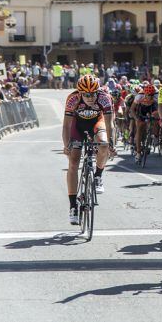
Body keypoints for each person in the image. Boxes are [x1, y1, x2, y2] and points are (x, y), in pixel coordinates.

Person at [62, 74, 114, 224]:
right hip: (77, 126)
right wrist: (66, 145)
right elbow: (66, 126)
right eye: (86, 95)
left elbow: (110, 124)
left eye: (93, 94)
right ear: (80, 93)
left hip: (97, 123)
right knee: (73, 162)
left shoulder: (104, 98)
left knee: (103, 144)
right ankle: (73, 206)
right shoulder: (72, 99)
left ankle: (98, 175)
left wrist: (112, 144)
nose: (90, 98)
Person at [131, 83, 159, 163]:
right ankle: (138, 152)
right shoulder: (139, 96)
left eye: (151, 95)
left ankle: (155, 135)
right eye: (148, 95)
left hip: (152, 107)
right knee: (139, 129)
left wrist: (158, 117)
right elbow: (132, 109)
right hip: (142, 108)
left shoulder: (156, 96)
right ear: (145, 93)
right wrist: (136, 118)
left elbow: (160, 108)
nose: (150, 96)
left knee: (156, 118)